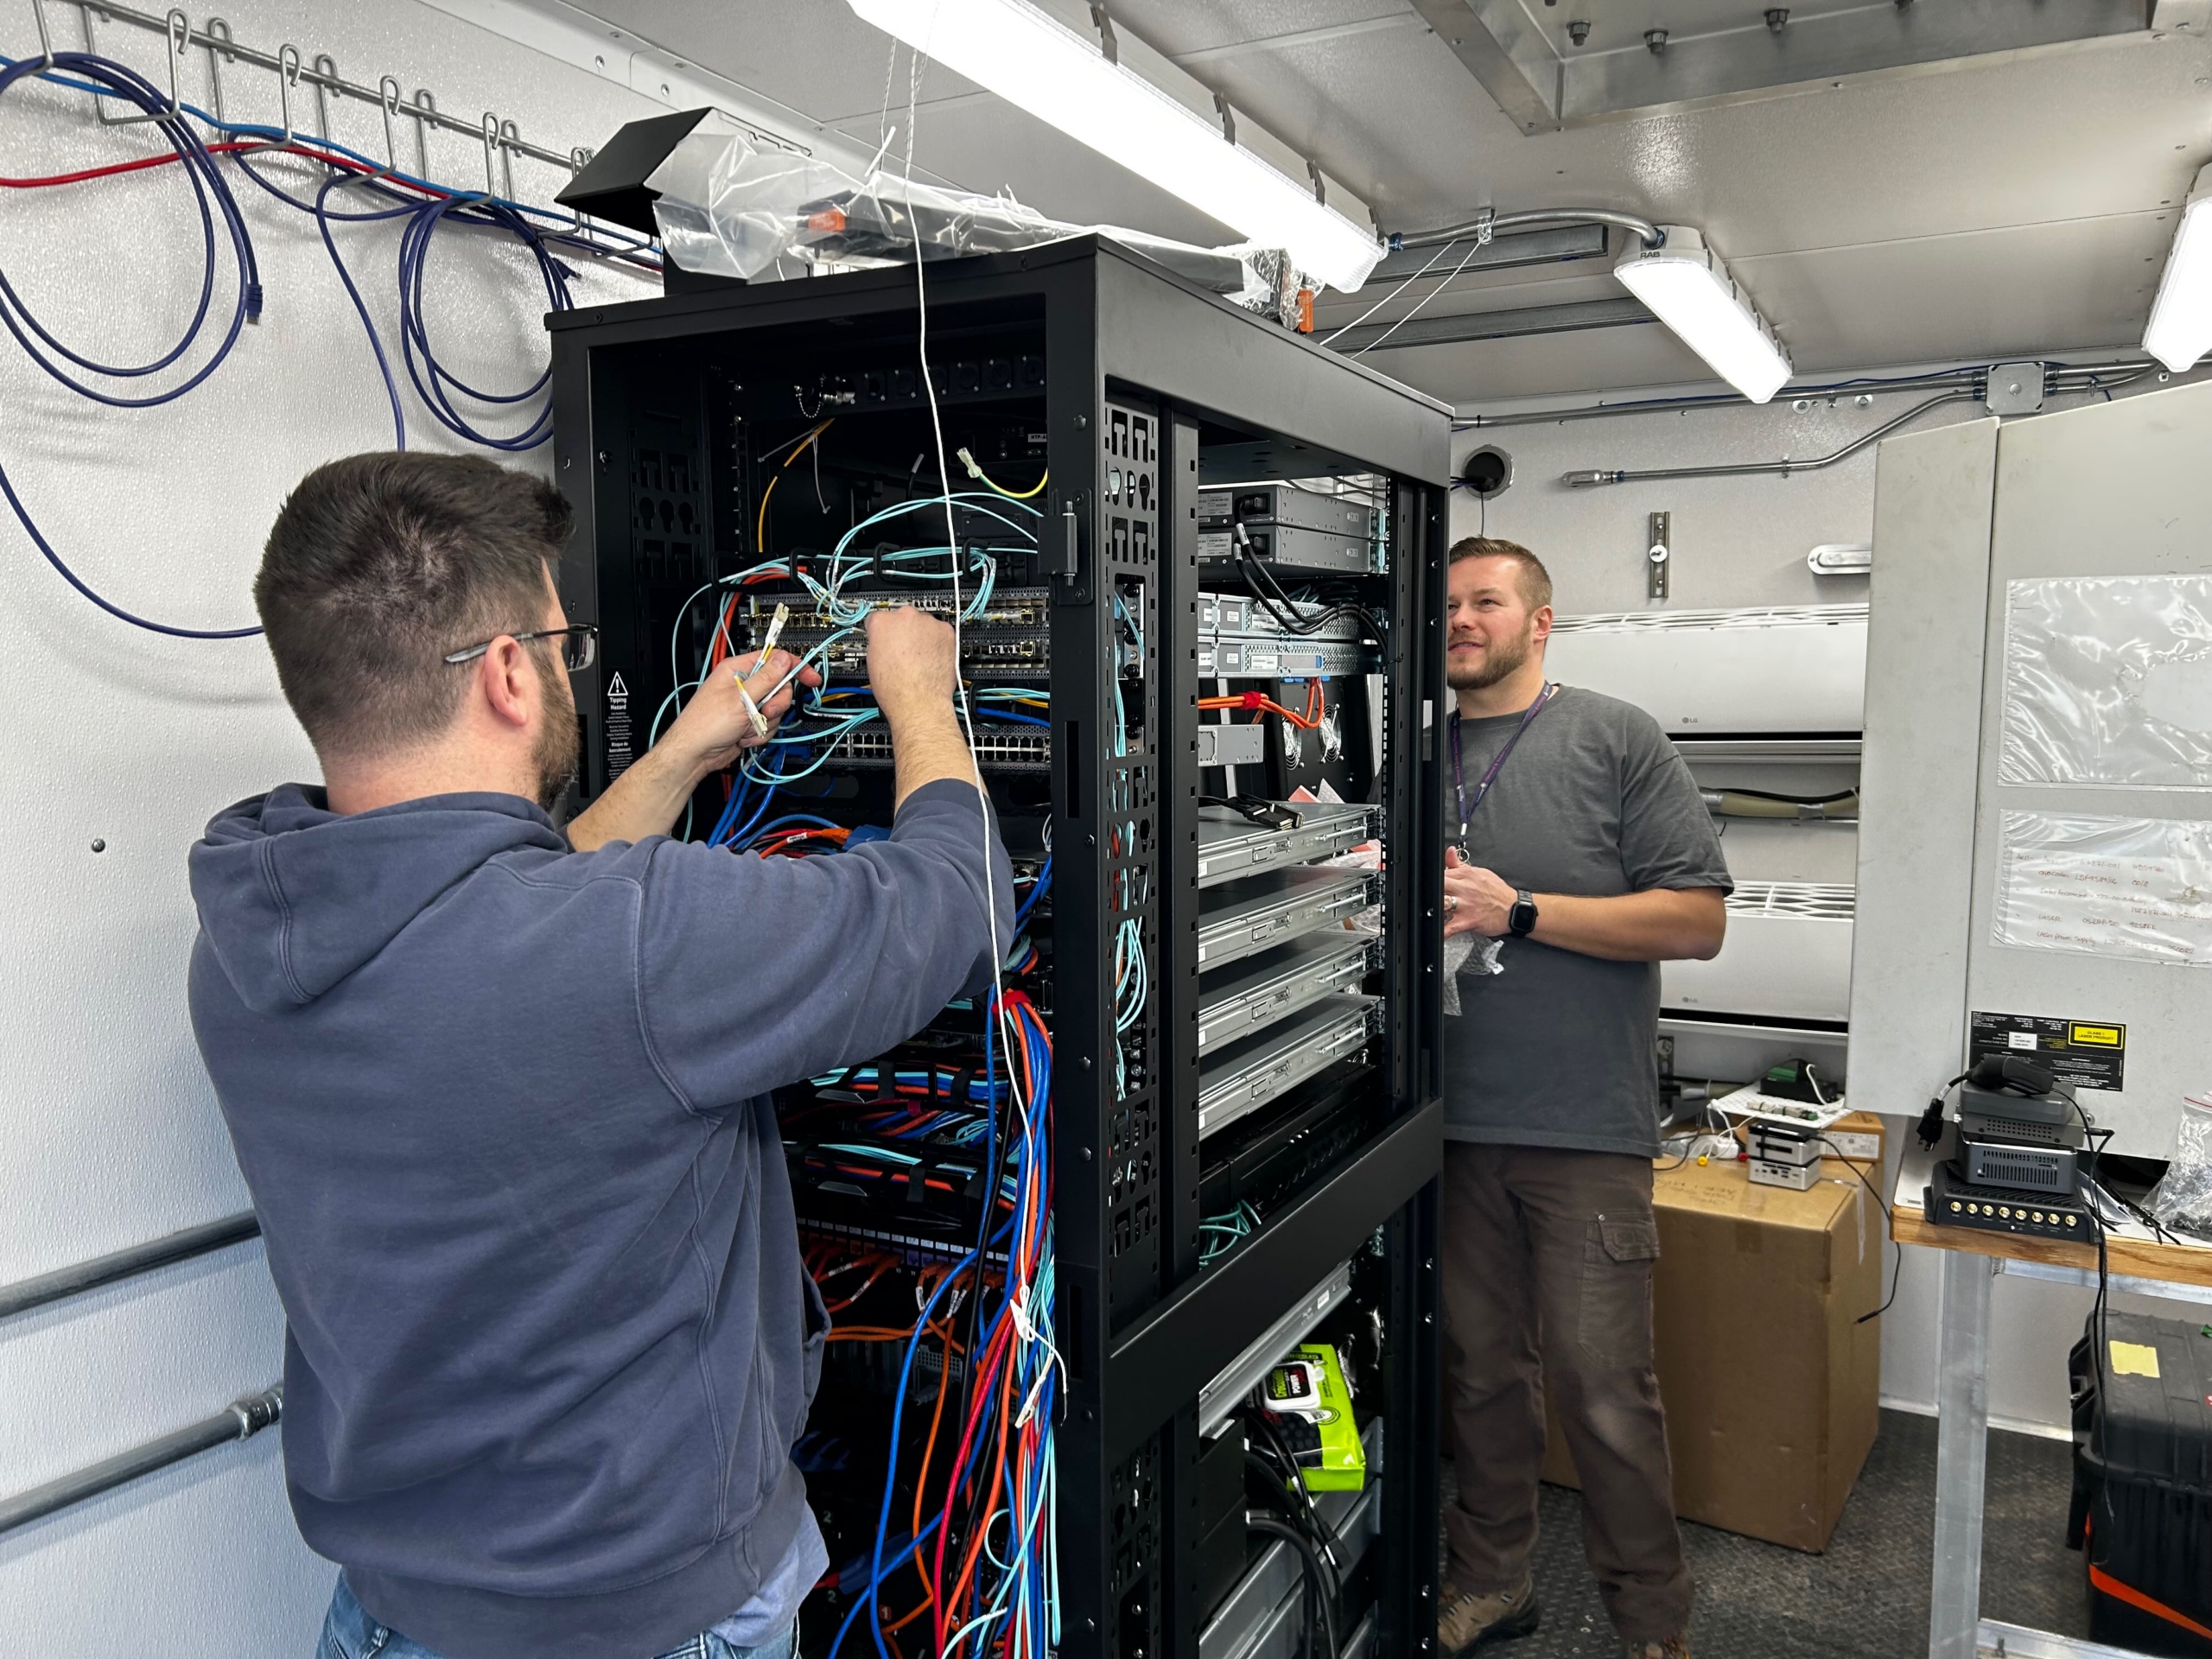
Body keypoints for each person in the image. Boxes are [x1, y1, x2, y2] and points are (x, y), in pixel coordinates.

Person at [187, 452, 1011, 1659]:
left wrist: (677, 760)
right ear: (511, 673)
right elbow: (954, 903)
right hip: (651, 1614)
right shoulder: (630, 945)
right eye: (564, 644)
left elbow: (493, 907)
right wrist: (923, 696)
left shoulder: (250, 943)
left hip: (391, 1613)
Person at [1433, 537, 1730, 1659]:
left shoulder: (1614, 737)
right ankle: (1493, 1579)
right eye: (1450, 603)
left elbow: (1696, 921)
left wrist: (1519, 911)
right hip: (1445, 1129)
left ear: (1540, 621)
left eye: (1487, 602)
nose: (1463, 619)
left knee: (1608, 1396)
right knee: (1479, 1378)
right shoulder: (1404, 753)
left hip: (1580, 1134)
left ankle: (1654, 1631)